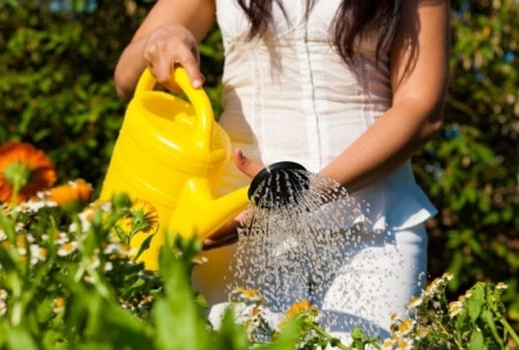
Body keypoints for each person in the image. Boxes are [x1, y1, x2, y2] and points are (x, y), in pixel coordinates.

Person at [113, 0, 449, 341]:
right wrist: (164, 36)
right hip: (242, 221)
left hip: (374, 223)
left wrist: (303, 194)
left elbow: (421, 109)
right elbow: (126, 78)